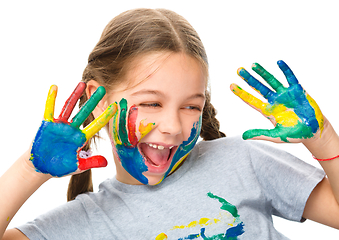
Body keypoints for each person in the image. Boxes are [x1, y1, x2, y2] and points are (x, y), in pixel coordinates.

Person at [1, 8, 339, 240]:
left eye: (192, 106)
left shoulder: (242, 160)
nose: (174, 126)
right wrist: (30, 169)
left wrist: (323, 140)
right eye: (151, 103)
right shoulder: (84, 223)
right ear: (100, 99)